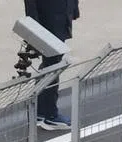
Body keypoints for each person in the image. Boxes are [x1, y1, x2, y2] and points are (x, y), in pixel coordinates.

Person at [24, 0, 80, 132]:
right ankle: (49, 114)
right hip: (49, 18)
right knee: (53, 63)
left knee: (51, 62)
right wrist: (33, 24)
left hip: (60, 13)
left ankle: (40, 111)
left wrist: (73, 7)